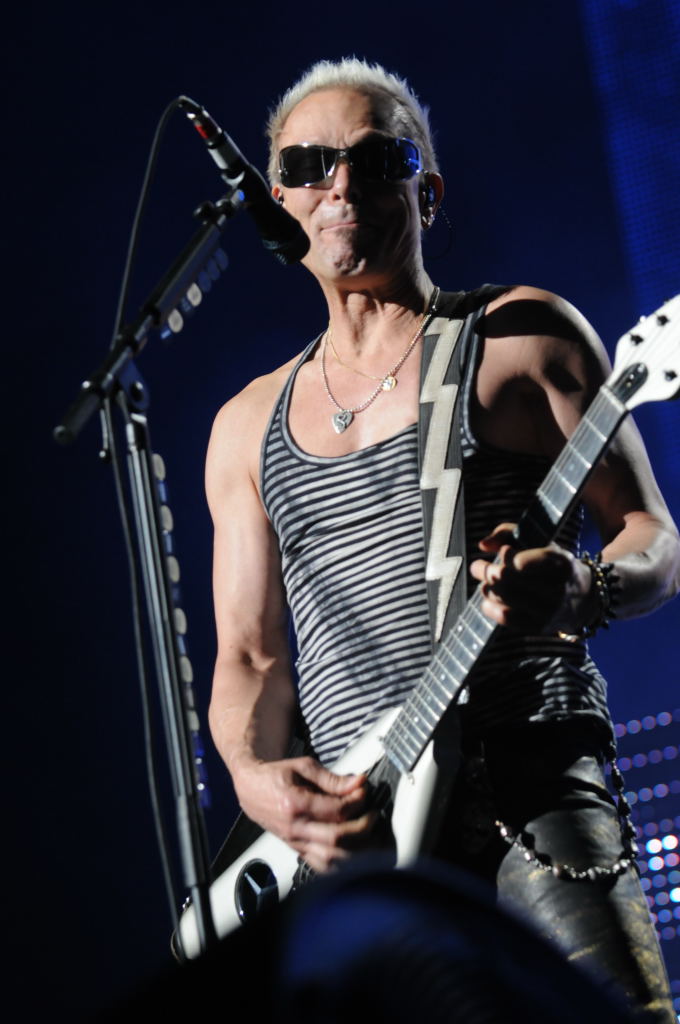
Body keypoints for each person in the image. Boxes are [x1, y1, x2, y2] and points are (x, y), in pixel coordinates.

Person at [204, 59, 679, 1020]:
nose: (341, 184)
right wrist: (259, 783)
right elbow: (250, 659)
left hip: (531, 783)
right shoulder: (246, 426)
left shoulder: (520, 336)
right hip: (368, 838)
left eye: (378, 159)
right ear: (277, 200)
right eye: (308, 164)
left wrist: (584, 588)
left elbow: (653, 536)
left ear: (427, 190)